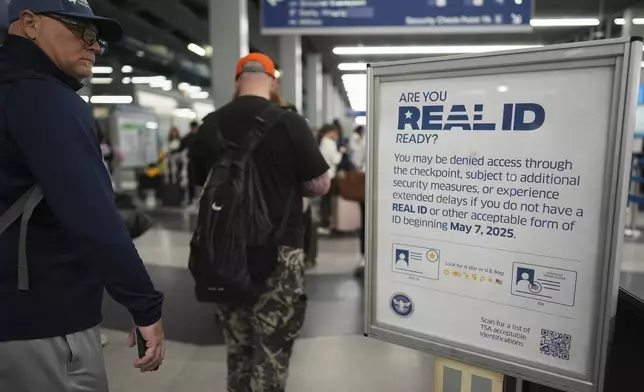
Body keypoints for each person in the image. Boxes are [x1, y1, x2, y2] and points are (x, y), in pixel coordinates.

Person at [0, 1, 165, 391]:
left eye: (98, 39)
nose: (95, 46)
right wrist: (144, 305)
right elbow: (92, 217)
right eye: (83, 31)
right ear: (29, 23)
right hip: (41, 319)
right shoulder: (46, 100)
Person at [189, 52, 330, 392]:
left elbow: (199, 188)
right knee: (272, 354)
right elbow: (320, 184)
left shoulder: (211, 124)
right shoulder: (290, 122)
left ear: (238, 80)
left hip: (225, 252)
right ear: (273, 81)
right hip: (280, 255)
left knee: (238, 350)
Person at [318, 124, 344, 234]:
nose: (337, 136)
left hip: (323, 175)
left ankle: (325, 223)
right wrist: (341, 152)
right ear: (331, 132)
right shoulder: (330, 143)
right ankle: (327, 224)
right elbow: (335, 160)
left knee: (325, 200)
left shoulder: (322, 142)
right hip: (330, 176)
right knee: (327, 201)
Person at [181, 120, 200, 203]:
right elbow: (181, 148)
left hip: (199, 162)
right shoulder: (188, 138)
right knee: (191, 181)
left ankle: (198, 198)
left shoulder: (201, 138)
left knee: (199, 181)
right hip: (192, 162)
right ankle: (191, 199)